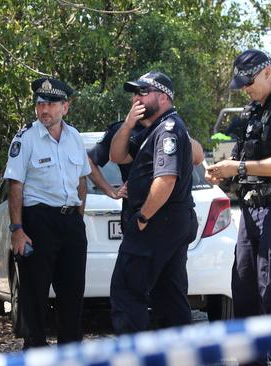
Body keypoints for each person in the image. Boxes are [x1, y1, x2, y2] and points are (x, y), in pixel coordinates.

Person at [206, 50, 271, 365]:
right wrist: (222, 174)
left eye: (249, 81)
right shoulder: (253, 112)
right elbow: (243, 160)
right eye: (241, 83)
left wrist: (236, 167)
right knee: (245, 287)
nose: (246, 88)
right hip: (250, 211)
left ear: (268, 71)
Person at [3, 77, 91, 349]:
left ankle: (70, 354)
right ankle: (36, 355)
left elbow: (82, 180)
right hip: (38, 222)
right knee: (34, 299)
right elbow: (15, 185)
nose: (44, 110)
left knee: (72, 297)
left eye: (51, 104)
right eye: (40, 104)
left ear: (66, 106)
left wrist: (78, 217)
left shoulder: (75, 137)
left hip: (70, 223)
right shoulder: (25, 139)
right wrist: (17, 230)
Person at [108, 71, 198, 333]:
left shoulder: (168, 130)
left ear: (163, 97)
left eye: (142, 92)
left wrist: (143, 217)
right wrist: (126, 125)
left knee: (126, 293)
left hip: (156, 224)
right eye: (135, 94)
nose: (136, 98)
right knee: (170, 296)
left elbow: (166, 180)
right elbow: (117, 155)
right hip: (167, 225)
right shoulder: (154, 130)